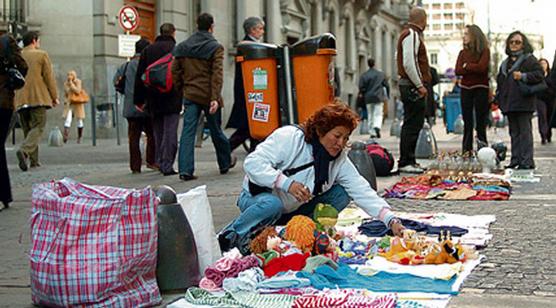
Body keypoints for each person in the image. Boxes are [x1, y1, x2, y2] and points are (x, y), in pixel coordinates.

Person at [217, 102, 405, 252]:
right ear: (321, 130)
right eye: (337, 136)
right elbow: (252, 163)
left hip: (293, 208)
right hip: (258, 198)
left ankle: (297, 233)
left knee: (341, 194)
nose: (341, 143)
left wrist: (391, 220)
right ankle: (231, 235)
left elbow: (361, 189)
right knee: (272, 205)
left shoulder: (338, 160)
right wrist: (285, 183)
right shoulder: (291, 138)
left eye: (346, 138)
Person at [173, 13, 236, 181]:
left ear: (197, 25)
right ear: (211, 27)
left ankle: (185, 169)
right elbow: (217, 74)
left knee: (188, 132)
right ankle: (224, 162)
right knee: (216, 130)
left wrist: (182, 90)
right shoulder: (215, 47)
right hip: (209, 96)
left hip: (191, 95)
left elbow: (175, 72)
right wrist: (215, 97)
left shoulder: (183, 47)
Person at [134, 23, 182, 176]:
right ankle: (167, 164)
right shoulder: (177, 49)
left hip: (153, 96)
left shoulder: (148, 50)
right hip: (173, 95)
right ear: (173, 33)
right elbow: (182, 73)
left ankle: (161, 161)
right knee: (170, 131)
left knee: (158, 131)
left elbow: (139, 75)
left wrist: (139, 100)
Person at [496, 31, 543, 170]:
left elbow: (539, 75)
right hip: (509, 102)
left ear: (524, 44)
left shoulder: (529, 59)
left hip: (524, 102)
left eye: (518, 42)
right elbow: (501, 81)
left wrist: (523, 76)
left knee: (525, 132)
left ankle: (527, 160)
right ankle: (515, 159)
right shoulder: (505, 63)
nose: (514, 45)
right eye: (512, 42)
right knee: (514, 132)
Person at [14, 31, 59, 171]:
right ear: (34, 40)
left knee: (28, 130)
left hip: (20, 98)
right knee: (38, 126)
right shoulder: (41, 55)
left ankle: (34, 161)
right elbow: (48, 77)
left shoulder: (17, 56)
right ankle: (24, 150)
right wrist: (54, 96)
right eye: (38, 40)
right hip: (38, 97)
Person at [396, 7, 431, 173]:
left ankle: (409, 159)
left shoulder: (407, 33)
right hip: (412, 86)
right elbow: (409, 62)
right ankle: (406, 161)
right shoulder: (412, 34)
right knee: (412, 124)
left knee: (412, 123)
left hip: (408, 85)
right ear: (422, 20)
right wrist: (420, 85)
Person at [114, 38, 157, 173]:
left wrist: (125, 91)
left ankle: (135, 166)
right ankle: (151, 160)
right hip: (146, 106)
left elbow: (116, 82)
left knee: (133, 137)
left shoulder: (126, 66)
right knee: (152, 134)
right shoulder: (149, 64)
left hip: (130, 107)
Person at [226, 16, 265, 153]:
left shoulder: (249, 45)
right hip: (248, 91)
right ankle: (224, 151)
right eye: (260, 29)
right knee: (248, 128)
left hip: (252, 91)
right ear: (252, 30)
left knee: (254, 126)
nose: (262, 32)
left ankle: (256, 154)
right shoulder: (248, 46)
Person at [0, 34, 27, 210]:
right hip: (4, 102)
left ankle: (4, 194)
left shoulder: (5, 42)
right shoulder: (5, 42)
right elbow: (23, 67)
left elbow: (23, 66)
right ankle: (4, 195)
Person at [455, 25, 490, 153]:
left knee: (481, 123)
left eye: (466, 34)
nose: (464, 37)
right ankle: (466, 152)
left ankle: (483, 151)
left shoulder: (484, 51)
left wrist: (467, 66)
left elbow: (482, 68)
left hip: (481, 88)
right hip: (466, 89)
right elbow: (458, 70)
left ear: (474, 36)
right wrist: (471, 67)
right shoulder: (462, 53)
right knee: (467, 123)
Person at [358, 58, 389, 138]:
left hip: (368, 97)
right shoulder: (380, 74)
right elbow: (386, 85)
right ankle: (377, 127)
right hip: (378, 96)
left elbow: (361, 87)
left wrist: (363, 93)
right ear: (374, 64)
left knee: (370, 114)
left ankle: (372, 132)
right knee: (378, 114)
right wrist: (387, 95)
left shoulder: (364, 75)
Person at [62, 70, 87, 143]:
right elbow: (67, 92)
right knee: (68, 119)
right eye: (69, 75)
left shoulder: (78, 81)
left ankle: (80, 137)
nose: (70, 76)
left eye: (71, 75)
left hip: (77, 103)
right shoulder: (66, 83)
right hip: (69, 103)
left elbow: (77, 91)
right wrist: (69, 84)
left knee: (79, 120)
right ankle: (65, 136)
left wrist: (72, 84)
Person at [535, 58, 555, 144]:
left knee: (549, 116)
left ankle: (548, 134)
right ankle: (543, 135)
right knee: (542, 116)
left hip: (551, 98)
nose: (543, 65)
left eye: (544, 63)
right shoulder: (537, 75)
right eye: (541, 63)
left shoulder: (551, 75)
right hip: (540, 98)